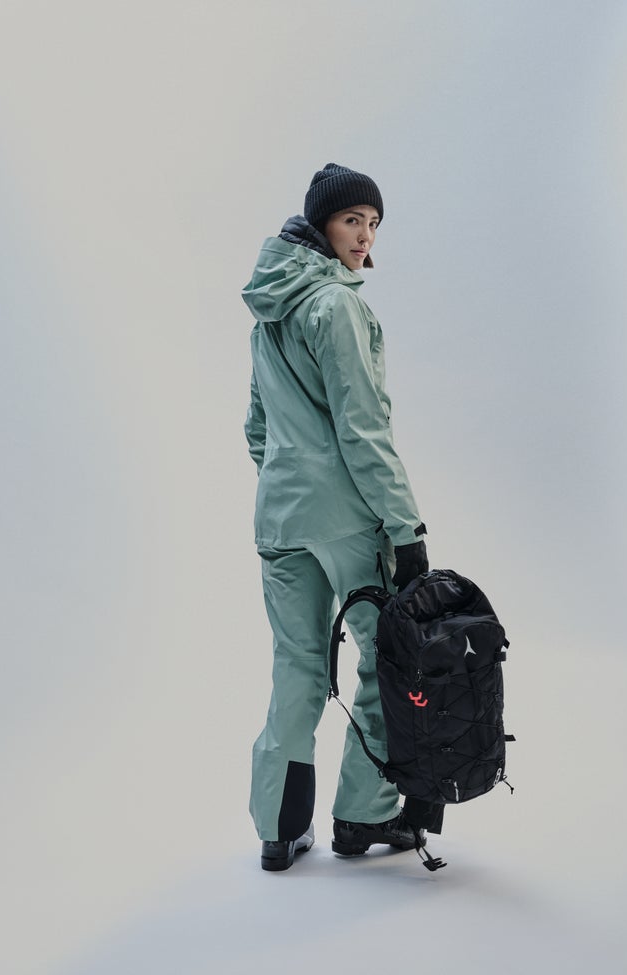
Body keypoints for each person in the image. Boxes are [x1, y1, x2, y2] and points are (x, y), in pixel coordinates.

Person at [243, 163, 430, 872]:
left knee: (296, 666)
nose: (365, 235)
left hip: (280, 519)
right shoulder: (335, 306)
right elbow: (362, 428)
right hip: (350, 519)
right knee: (388, 659)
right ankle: (362, 814)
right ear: (321, 223)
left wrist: (290, 484)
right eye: (353, 220)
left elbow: (257, 430)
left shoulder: (269, 312)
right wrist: (405, 526)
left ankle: (279, 829)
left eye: (374, 223)